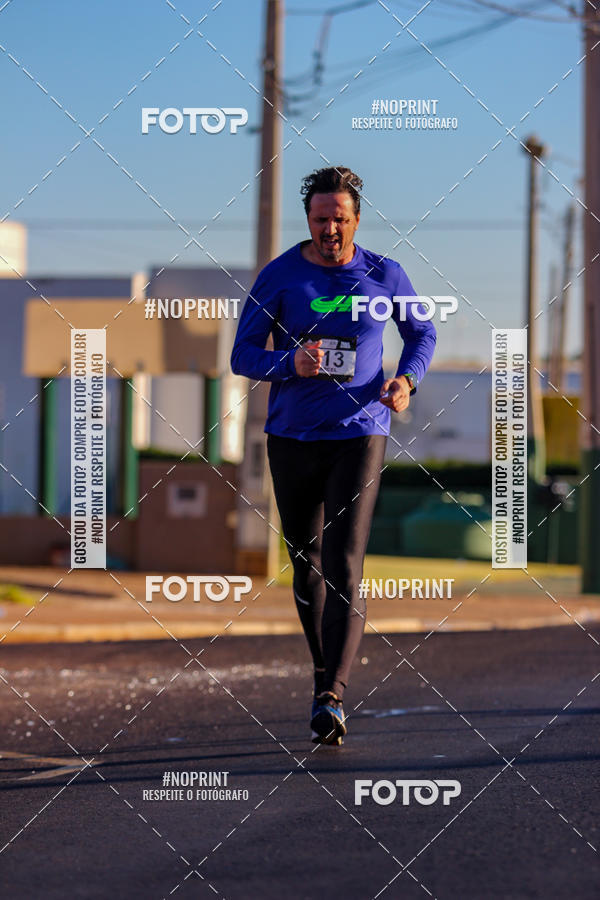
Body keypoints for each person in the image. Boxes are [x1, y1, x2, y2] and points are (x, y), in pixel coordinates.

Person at [231, 166, 436, 745]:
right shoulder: (280, 277)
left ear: (356, 219)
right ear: (309, 220)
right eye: (320, 219)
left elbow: (422, 335)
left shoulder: (384, 273)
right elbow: (242, 355)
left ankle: (331, 696)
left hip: (361, 431)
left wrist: (406, 382)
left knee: (346, 562)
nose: (329, 229)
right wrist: (287, 364)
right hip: (292, 435)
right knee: (307, 562)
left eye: (338, 219)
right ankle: (325, 672)